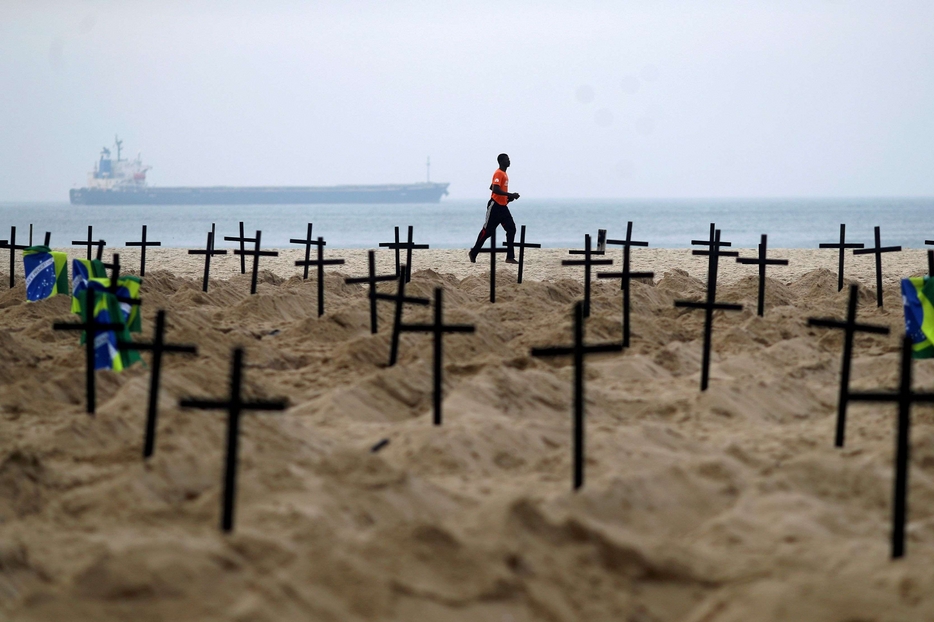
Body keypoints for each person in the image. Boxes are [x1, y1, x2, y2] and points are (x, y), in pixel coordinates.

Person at [468, 153, 520, 264]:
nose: (509, 161)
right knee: (487, 232)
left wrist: (508, 198)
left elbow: (492, 186)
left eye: (509, 159)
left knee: (511, 229)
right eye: (507, 159)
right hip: (495, 206)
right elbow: (495, 189)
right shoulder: (498, 173)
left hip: (503, 207)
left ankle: (510, 257)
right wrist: (510, 194)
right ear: (501, 161)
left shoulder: (504, 174)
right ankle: (473, 252)